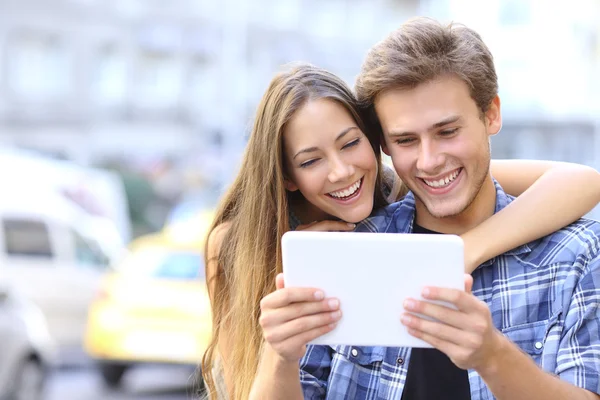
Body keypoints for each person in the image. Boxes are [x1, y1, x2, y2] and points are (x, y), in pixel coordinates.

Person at [202, 63, 600, 400]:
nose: (341, 171)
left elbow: (580, 181)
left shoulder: (407, 183)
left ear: (376, 143)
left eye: (350, 144)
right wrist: (279, 353)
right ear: (286, 175)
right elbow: (243, 384)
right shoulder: (236, 244)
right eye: (310, 161)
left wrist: (465, 249)